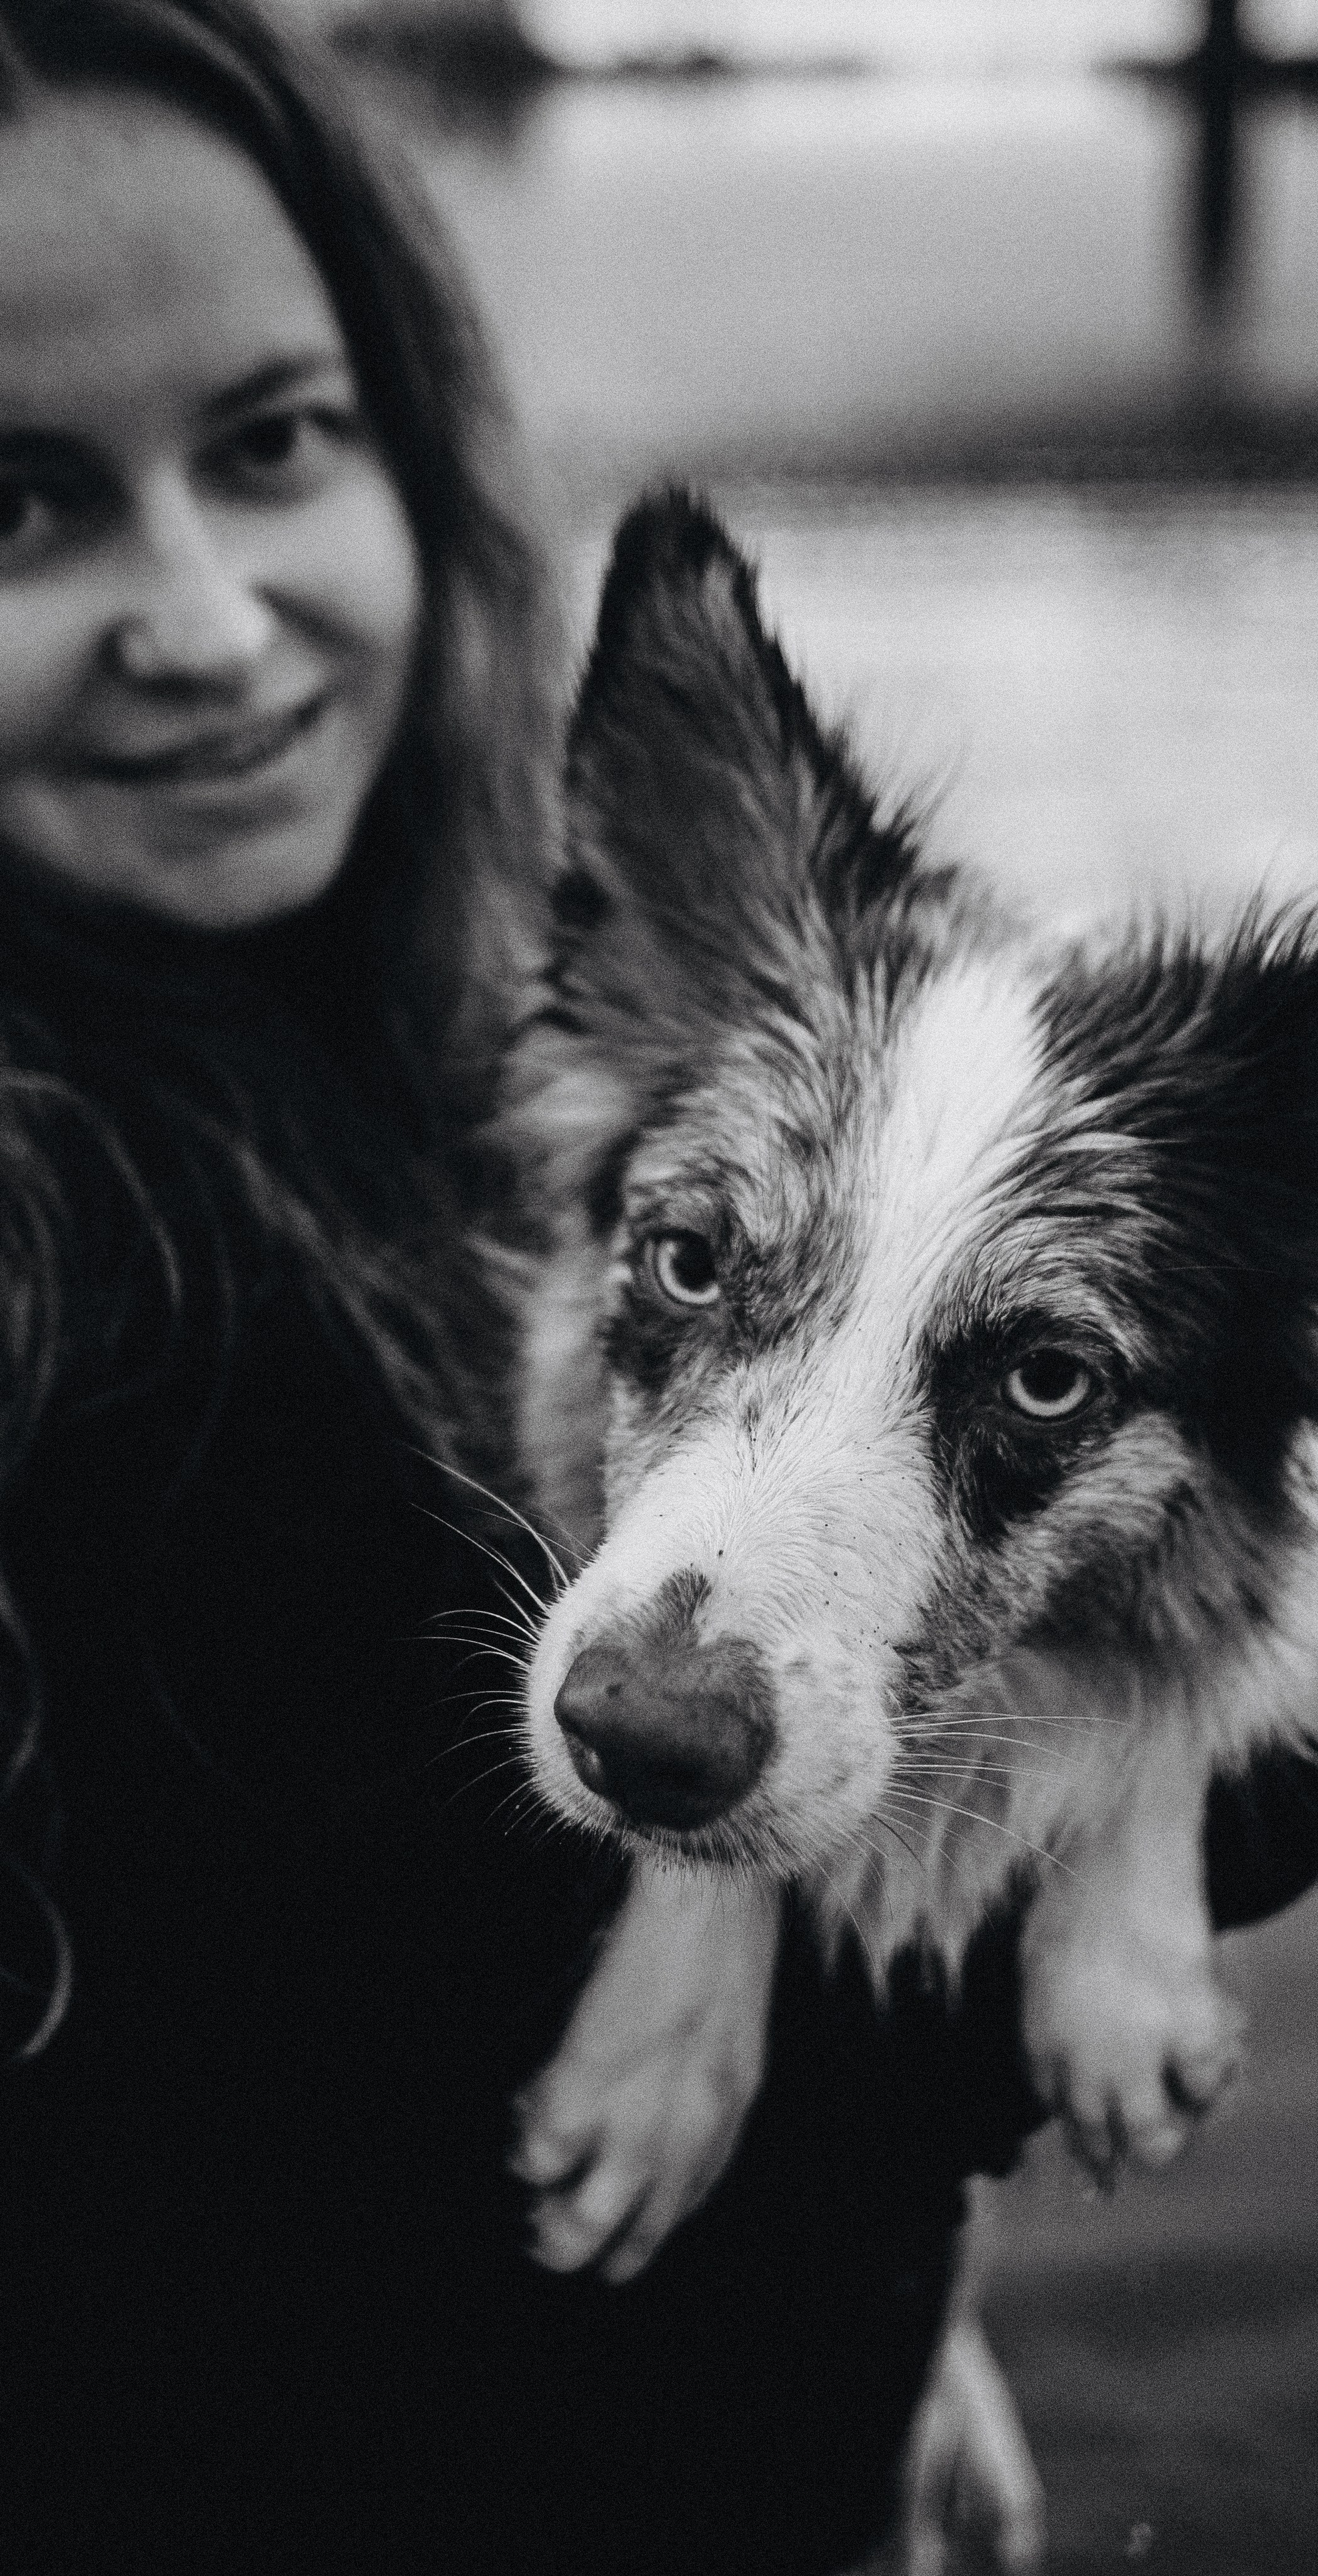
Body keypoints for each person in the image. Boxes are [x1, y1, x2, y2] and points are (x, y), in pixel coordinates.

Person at [0, 5, 1046, 2567]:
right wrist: (1230, 1788)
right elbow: (407, 2115)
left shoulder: (439, 1008)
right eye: (16, 505)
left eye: (270, 440)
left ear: (414, 441)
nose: (218, 626)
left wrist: (936, 2316)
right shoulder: (96, 1334)